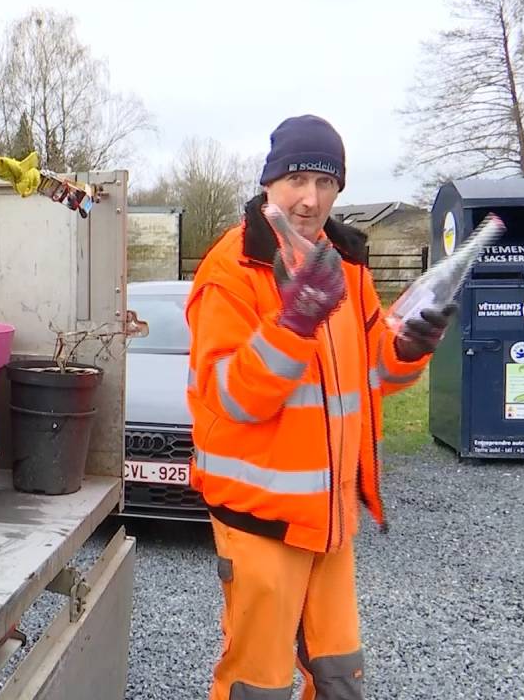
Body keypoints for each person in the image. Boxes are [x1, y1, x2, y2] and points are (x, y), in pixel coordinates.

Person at [185, 115, 455, 700]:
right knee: (257, 686)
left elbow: (372, 372)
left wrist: (409, 347)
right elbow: (230, 396)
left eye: (326, 183)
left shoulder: (346, 263)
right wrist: (292, 324)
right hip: (261, 523)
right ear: (268, 183)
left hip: (331, 519)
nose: (310, 199)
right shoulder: (231, 270)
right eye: (297, 179)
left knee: (338, 676)